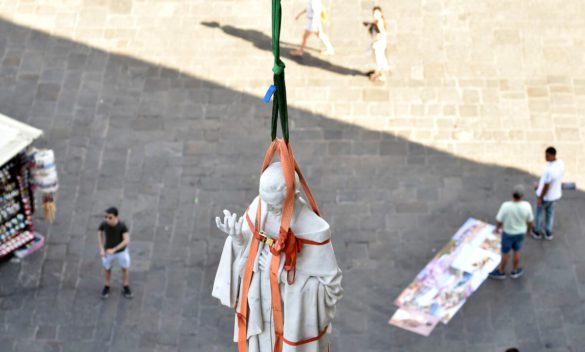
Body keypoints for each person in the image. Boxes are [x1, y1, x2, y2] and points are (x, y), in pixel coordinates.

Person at [212, 161, 343, 352]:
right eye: (263, 199)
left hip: (291, 326)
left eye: (274, 206)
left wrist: (282, 273)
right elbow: (245, 261)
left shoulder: (314, 229)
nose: (266, 208)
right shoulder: (260, 207)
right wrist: (238, 240)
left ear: (293, 197)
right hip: (261, 321)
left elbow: (332, 290)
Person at [489, 185, 534, 280]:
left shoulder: (506, 206)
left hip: (508, 233)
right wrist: (529, 230)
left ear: (512, 194)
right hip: (521, 233)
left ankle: (501, 271)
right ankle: (515, 270)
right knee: (517, 251)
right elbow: (530, 221)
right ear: (522, 196)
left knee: (505, 253)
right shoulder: (527, 206)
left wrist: (497, 228)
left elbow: (499, 219)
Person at [97, 207, 133, 299]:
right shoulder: (104, 224)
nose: (107, 219)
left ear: (116, 217)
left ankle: (125, 286)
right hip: (107, 251)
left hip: (121, 252)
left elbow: (126, 240)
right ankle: (107, 285)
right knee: (107, 268)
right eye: (106, 217)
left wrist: (114, 249)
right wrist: (101, 248)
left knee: (124, 268)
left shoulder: (122, 226)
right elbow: (99, 232)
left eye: (110, 217)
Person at [531, 146, 564, 241]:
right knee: (550, 214)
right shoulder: (560, 163)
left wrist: (540, 197)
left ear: (552, 155)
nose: (545, 157)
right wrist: (540, 185)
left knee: (539, 214)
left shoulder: (549, 170)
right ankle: (548, 232)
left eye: (547, 155)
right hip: (555, 195)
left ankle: (536, 231)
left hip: (546, 197)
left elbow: (546, 186)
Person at [364, 6, 390, 82]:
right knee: (378, 58)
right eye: (374, 13)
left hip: (378, 44)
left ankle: (380, 74)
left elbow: (382, 34)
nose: (375, 14)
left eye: (377, 13)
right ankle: (377, 71)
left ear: (380, 13)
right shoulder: (378, 21)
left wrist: (376, 38)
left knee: (379, 59)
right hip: (378, 44)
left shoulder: (379, 23)